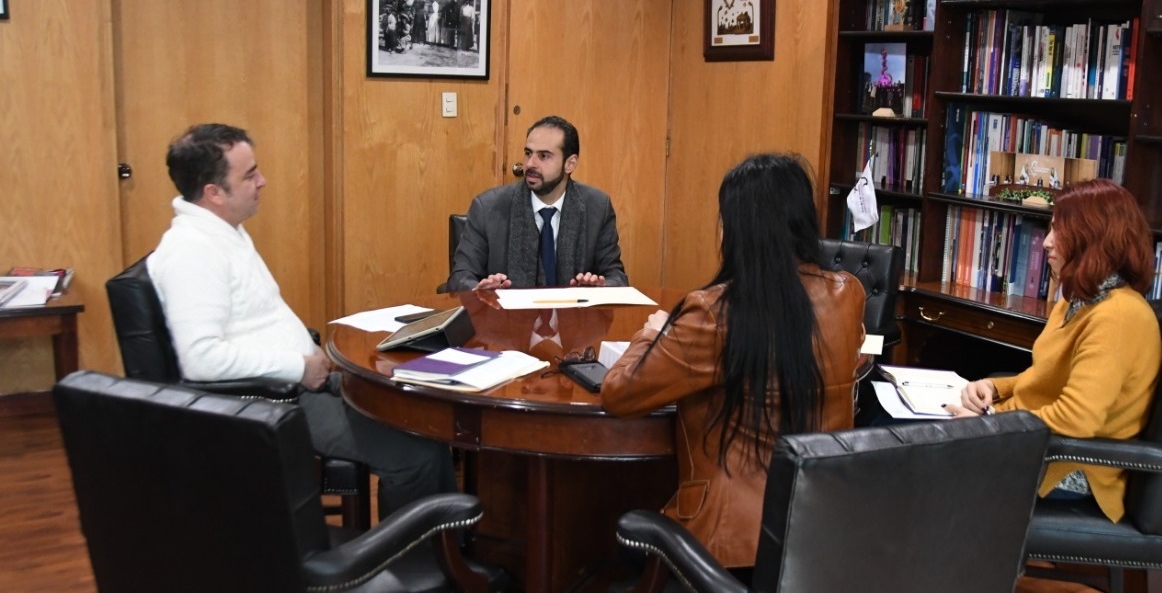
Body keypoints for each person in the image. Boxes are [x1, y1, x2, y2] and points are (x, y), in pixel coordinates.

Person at [148, 123, 457, 518]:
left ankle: (453, 551)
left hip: (299, 384)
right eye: (249, 175)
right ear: (213, 193)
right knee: (418, 455)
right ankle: (419, 567)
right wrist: (300, 366)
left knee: (420, 412)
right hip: (270, 402)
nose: (263, 181)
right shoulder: (192, 251)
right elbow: (200, 359)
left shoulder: (224, 233)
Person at [601, 153, 867, 570]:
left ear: (739, 230)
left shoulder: (714, 312)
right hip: (821, 532)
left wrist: (651, 334)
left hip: (730, 546)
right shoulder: (847, 294)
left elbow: (619, 393)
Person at [947, 178, 1161, 523]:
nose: (1046, 242)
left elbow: (1077, 418)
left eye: (1059, 232)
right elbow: (1045, 376)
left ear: (1093, 238)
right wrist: (995, 388)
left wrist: (991, 422)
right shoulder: (1078, 299)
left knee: (922, 464)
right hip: (1034, 445)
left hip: (1073, 468)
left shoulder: (1120, 316)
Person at [446, 115, 628, 292]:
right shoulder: (487, 207)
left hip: (575, 319)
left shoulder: (597, 206)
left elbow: (617, 277)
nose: (530, 163)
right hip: (505, 319)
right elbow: (460, 277)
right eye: (528, 153)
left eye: (544, 156)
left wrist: (602, 287)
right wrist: (478, 290)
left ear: (570, 164)